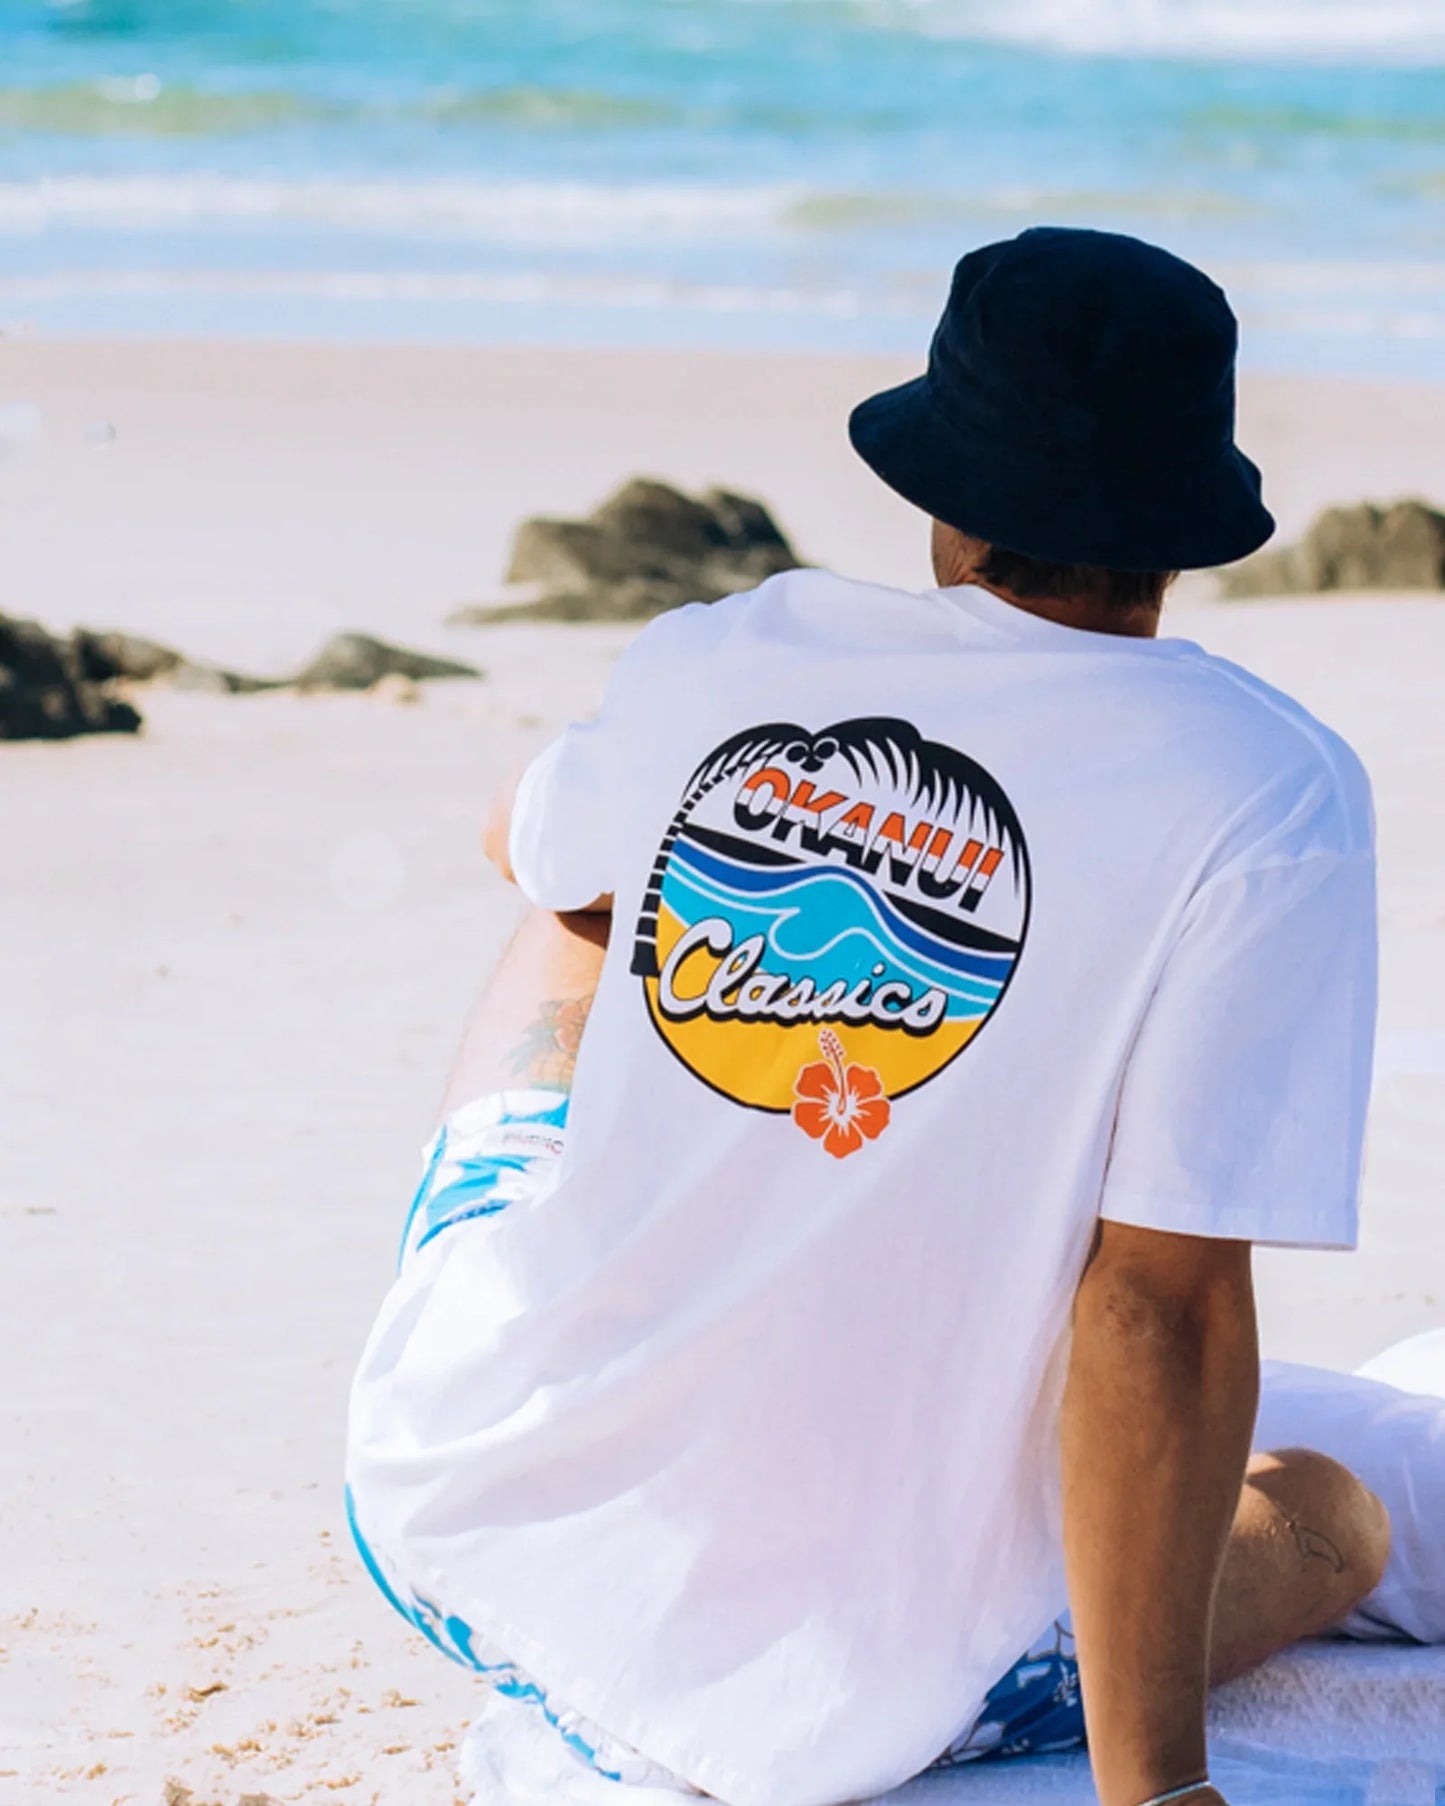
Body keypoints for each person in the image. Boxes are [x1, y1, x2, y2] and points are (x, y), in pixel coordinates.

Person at [347, 228, 1389, 1806]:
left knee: (581, 885)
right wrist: (1158, 1794)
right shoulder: (1260, 791)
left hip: (462, 1495)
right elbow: (1153, 1310)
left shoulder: (726, 649)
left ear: (941, 500)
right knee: (1329, 1514)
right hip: (832, 1693)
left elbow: (528, 837)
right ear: (1185, 519)